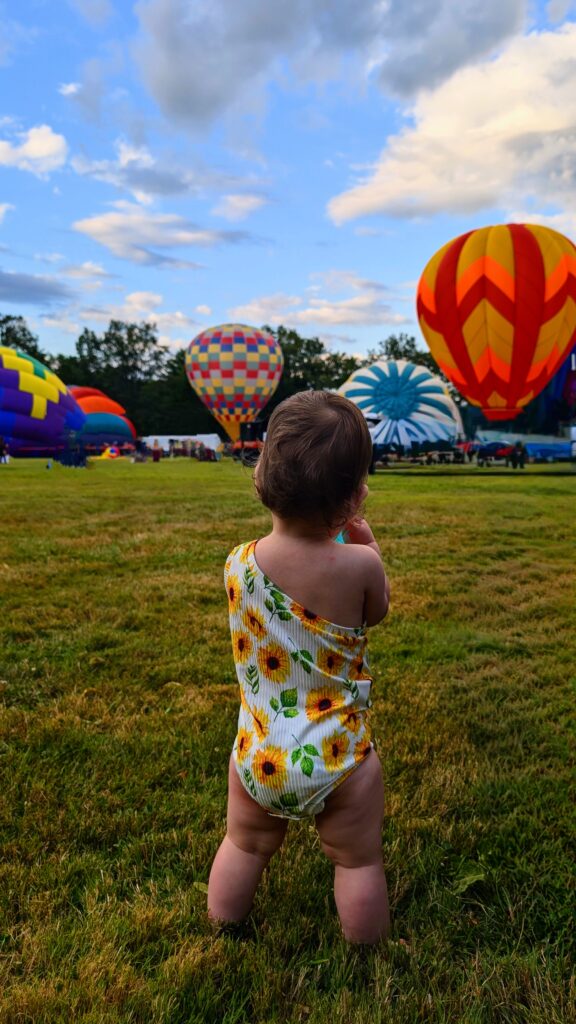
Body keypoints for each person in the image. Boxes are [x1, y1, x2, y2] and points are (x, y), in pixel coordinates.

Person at [208, 391, 391, 944]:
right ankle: (370, 950)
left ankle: (223, 923)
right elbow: (375, 613)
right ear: (355, 497)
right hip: (339, 757)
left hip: (259, 750)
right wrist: (370, 547)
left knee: (243, 843)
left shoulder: (237, 562)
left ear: (262, 478)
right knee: (356, 861)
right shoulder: (359, 565)